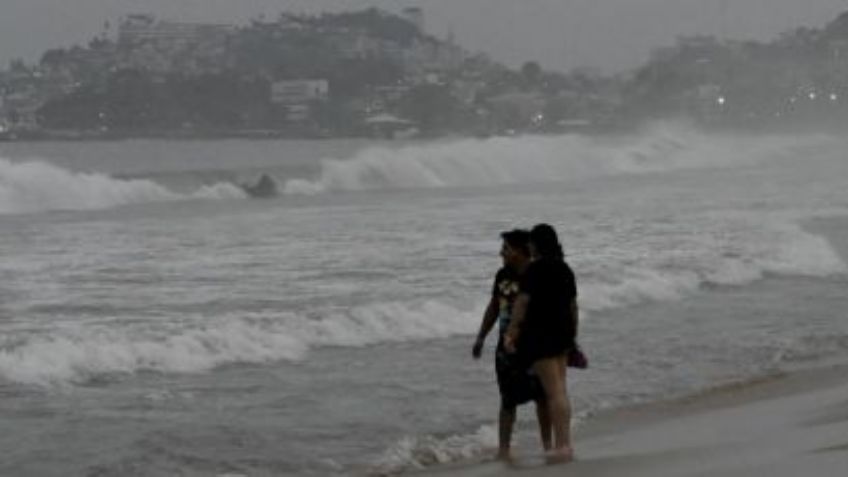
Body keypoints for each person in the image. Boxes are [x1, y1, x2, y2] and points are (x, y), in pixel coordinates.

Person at [472, 229, 551, 460]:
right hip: (506, 349)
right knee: (507, 399)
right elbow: (494, 307)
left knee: (542, 398)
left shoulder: (538, 275)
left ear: (519, 251)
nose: (501, 253)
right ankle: (503, 451)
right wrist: (481, 337)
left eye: (505, 248)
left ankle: (548, 447)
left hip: (535, 348)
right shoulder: (502, 275)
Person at [504, 223, 579, 463]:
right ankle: (565, 444)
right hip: (562, 334)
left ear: (537, 244)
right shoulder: (565, 269)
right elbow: (573, 306)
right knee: (561, 391)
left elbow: (522, 303)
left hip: (540, 336)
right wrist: (573, 336)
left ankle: (562, 446)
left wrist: (512, 332)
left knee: (553, 392)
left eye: (531, 242)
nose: (529, 246)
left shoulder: (534, 270)